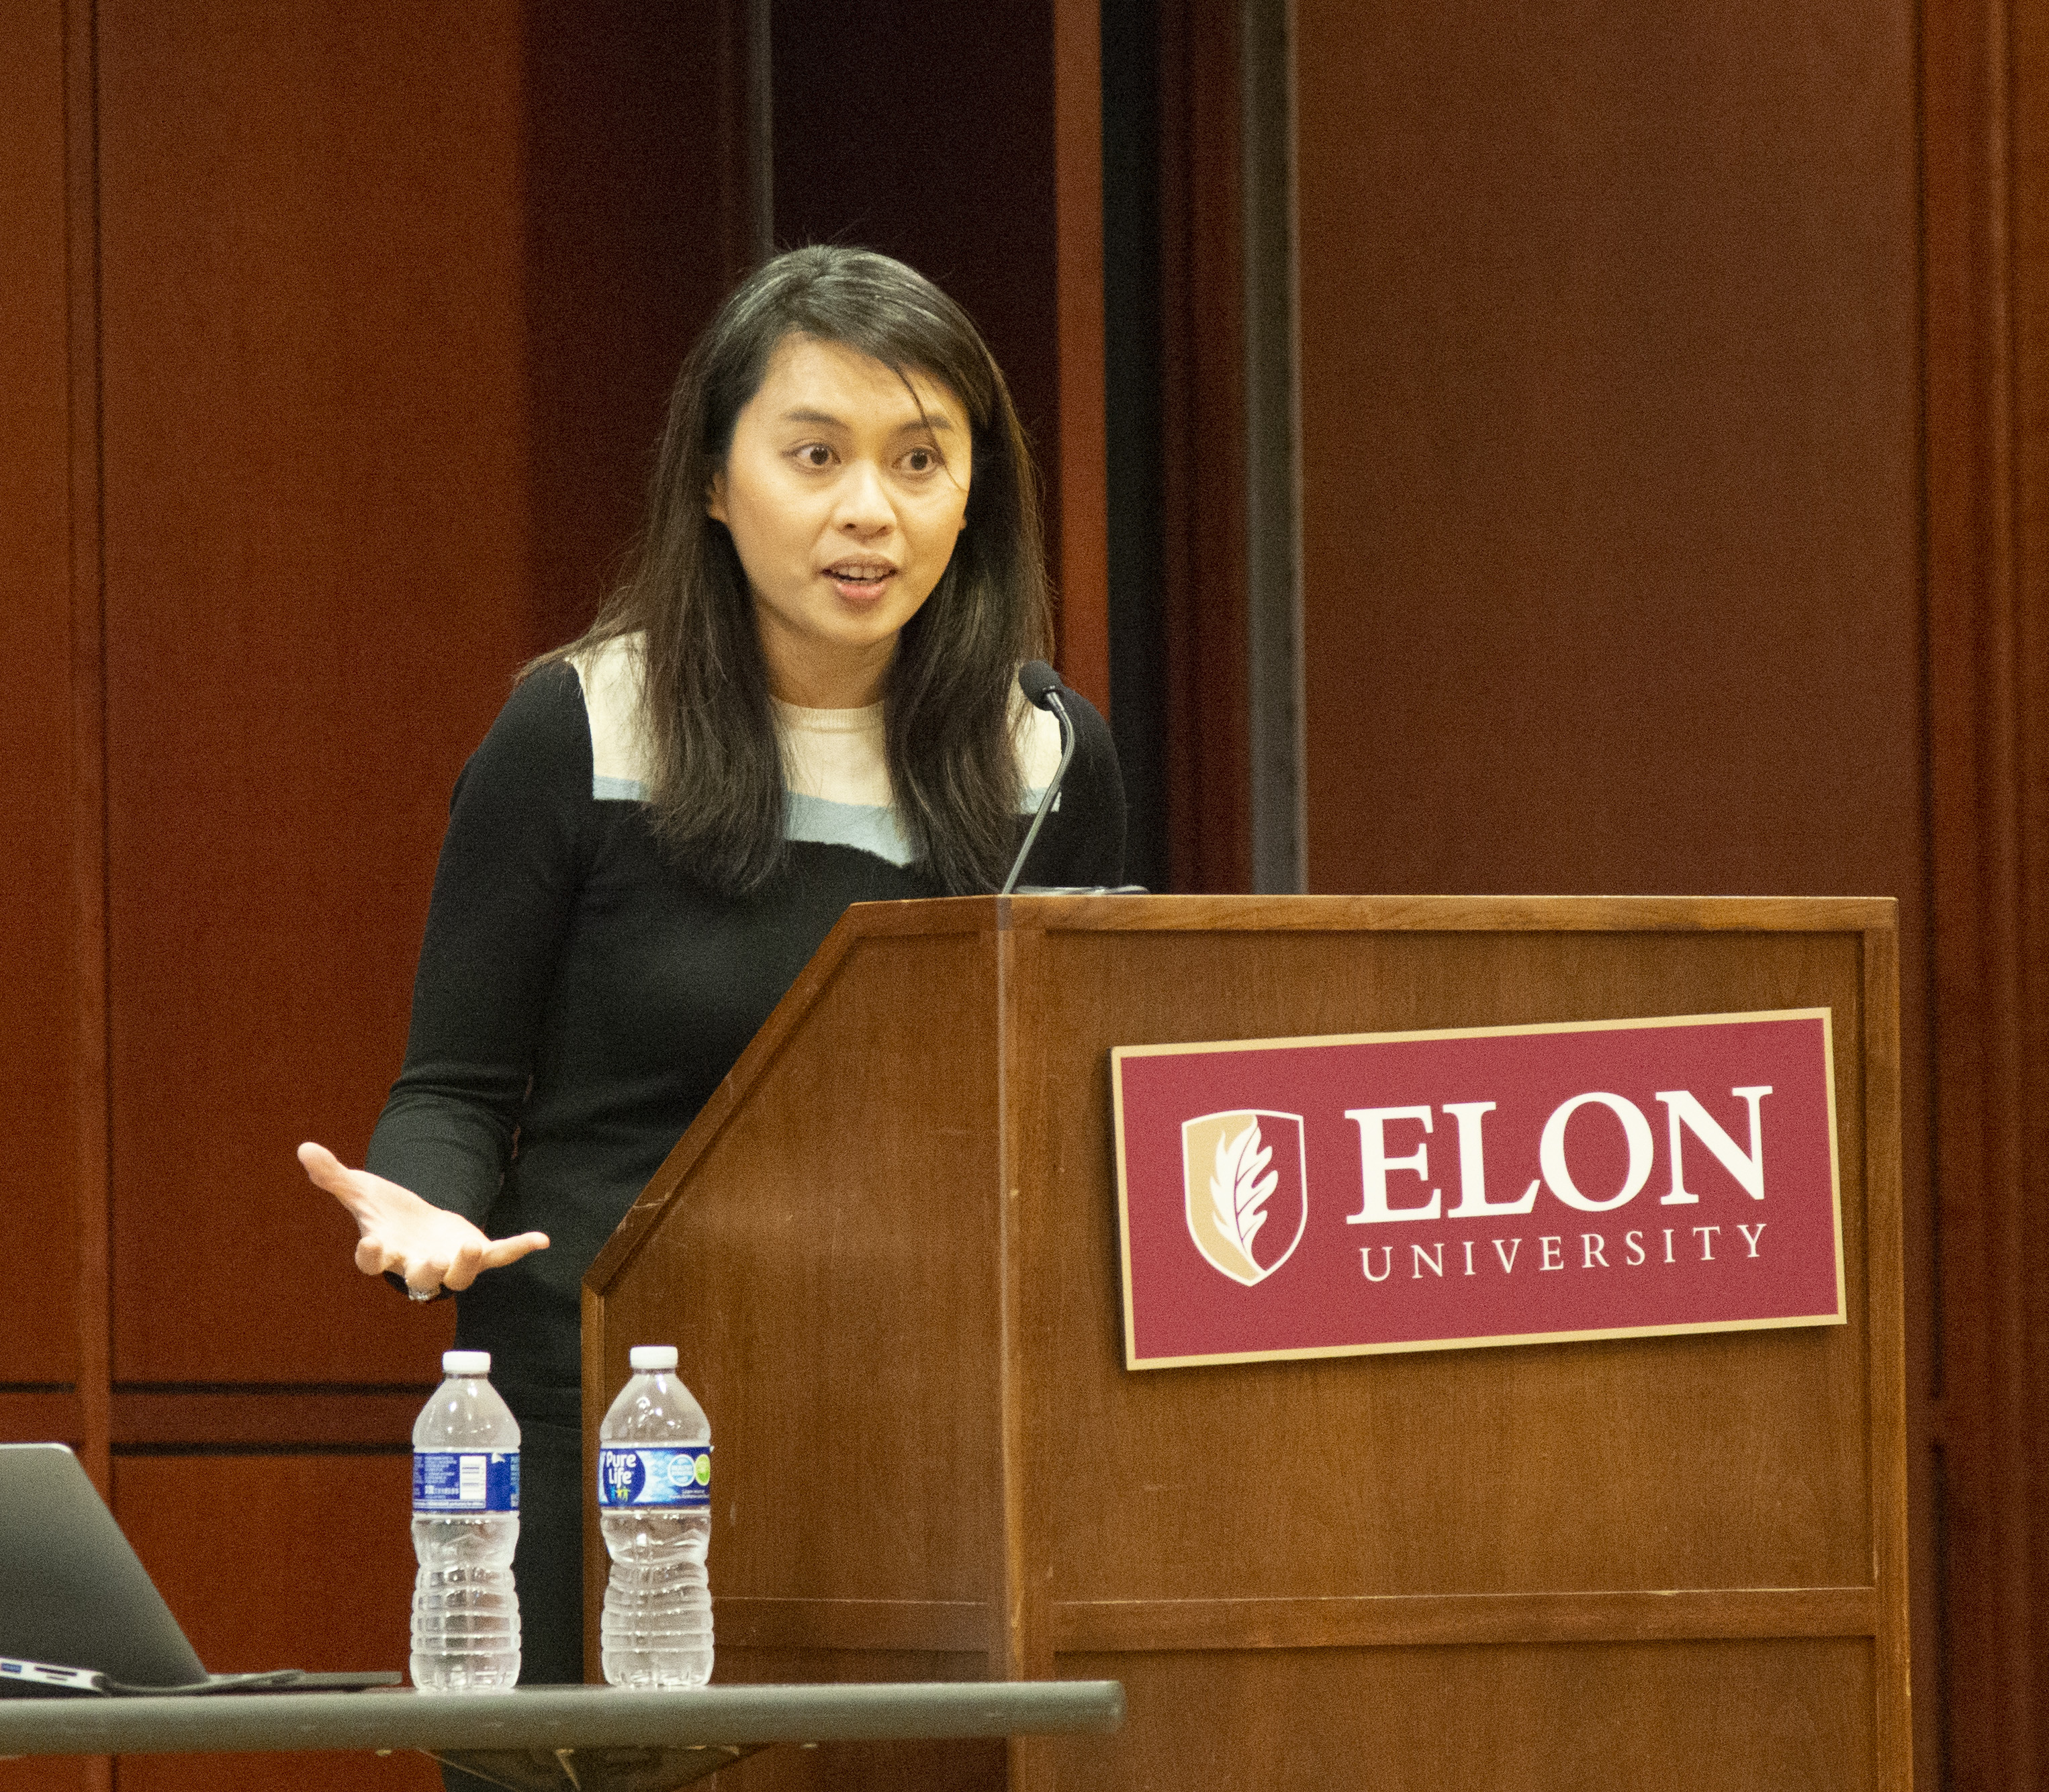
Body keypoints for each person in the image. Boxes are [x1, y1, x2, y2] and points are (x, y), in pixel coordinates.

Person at [296, 245, 1126, 1685]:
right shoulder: (579, 729)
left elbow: (1080, 1111)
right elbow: (456, 1086)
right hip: (600, 1401)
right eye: (815, 455)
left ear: (974, 492)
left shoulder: (1042, 758)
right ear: (713, 481)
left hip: (912, 1423)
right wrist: (427, 1211)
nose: (868, 509)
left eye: (918, 460)